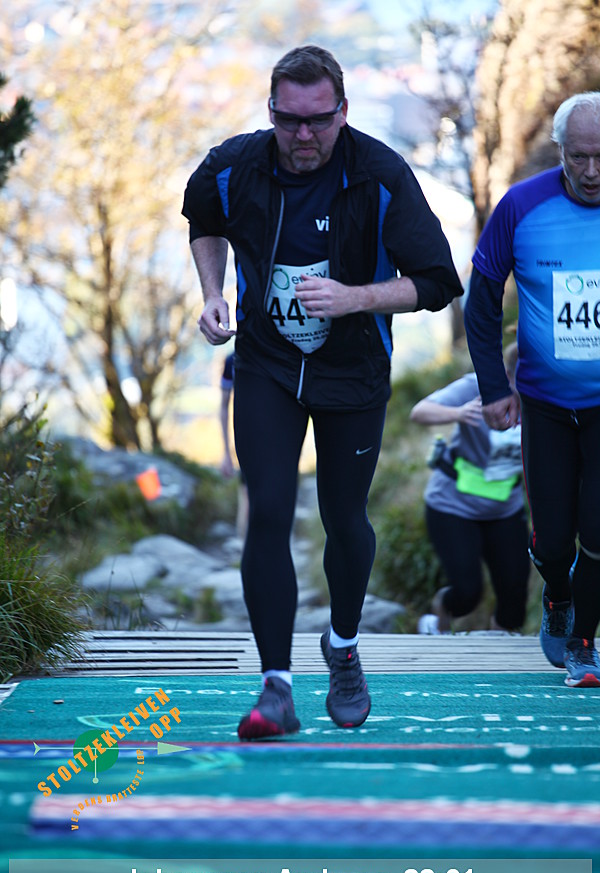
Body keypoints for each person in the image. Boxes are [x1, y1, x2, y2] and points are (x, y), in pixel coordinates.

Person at [182, 44, 463, 740]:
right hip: (267, 366)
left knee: (345, 519)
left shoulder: (380, 174)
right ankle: (276, 687)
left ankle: (342, 645)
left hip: (353, 371)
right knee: (268, 511)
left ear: (342, 112)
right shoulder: (234, 166)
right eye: (288, 120)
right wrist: (212, 294)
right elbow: (203, 218)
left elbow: (435, 281)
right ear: (271, 112)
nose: (303, 135)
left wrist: (355, 297)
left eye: (318, 120)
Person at [464, 92, 600, 688]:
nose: (591, 172)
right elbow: (481, 301)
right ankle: (557, 593)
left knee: (598, 532)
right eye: (579, 157)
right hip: (544, 405)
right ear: (560, 150)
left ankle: (583, 643)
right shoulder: (522, 205)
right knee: (552, 541)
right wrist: (494, 387)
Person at [410, 343, 530, 635]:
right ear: (507, 374)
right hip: (453, 505)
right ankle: (437, 617)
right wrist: (459, 413)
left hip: (506, 506)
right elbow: (419, 412)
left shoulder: (547, 397)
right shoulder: (478, 386)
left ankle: (498, 653)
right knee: (467, 593)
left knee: (514, 599)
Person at [218, 351, 249, 538]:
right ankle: (245, 547)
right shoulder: (232, 360)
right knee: (246, 497)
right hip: (248, 437)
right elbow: (223, 406)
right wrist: (226, 453)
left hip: (280, 436)